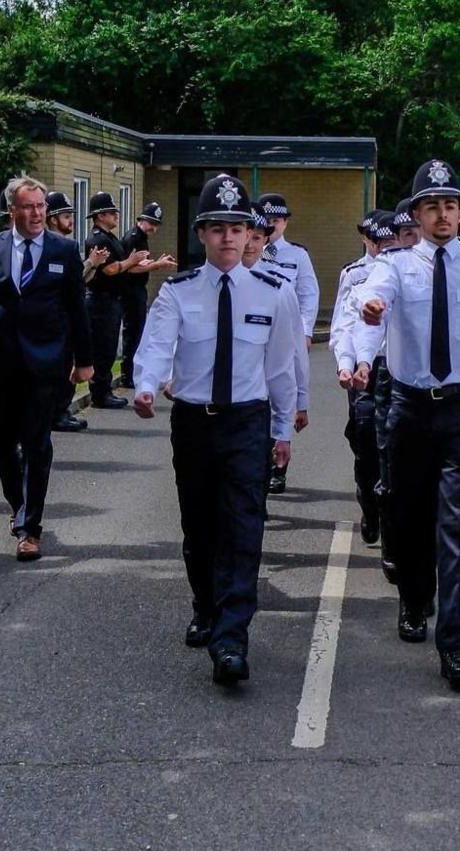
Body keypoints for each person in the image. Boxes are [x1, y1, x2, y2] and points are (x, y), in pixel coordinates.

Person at [352, 159, 460, 692]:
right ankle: (413, 599)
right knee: (408, 515)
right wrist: (371, 308)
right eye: (431, 206)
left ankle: (457, 645)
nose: (441, 214)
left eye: (449, 205)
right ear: (417, 215)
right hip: (409, 408)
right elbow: (372, 294)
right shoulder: (397, 266)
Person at [132, 174, 300, 686]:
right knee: (199, 527)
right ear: (201, 235)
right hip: (194, 422)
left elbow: (281, 369)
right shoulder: (179, 292)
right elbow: (157, 345)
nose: (228, 237)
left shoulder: (274, 293)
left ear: (250, 234)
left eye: (236, 228)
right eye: (217, 228)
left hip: (246, 423)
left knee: (243, 529)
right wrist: (146, 384)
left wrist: (282, 430)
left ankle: (231, 639)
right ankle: (206, 606)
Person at [0, 176, 96, 562]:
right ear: (12, 210)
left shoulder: (64, 250)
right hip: (0, 364)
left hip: (46, 365)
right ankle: (19, 508)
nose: (36, 214)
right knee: (0, 446)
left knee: (36, 445)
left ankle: (30, 528)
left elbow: (76, 308)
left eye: (41, 207)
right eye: (28, 207)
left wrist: (84, 360)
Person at [331, 210, 395, 544]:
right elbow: (343, 323)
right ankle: (370, 504)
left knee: (394, 445)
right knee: (366, 438)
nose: (383, 247)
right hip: (362, 371)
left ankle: (391, 513)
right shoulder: (354, 274)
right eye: (378, 241)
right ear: (366, 239)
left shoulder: (401, 270)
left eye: (389, 240)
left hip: (395, 368)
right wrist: (344, 361)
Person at [369, 199, 419, 583]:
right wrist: (357, 362)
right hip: (387, 375)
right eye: (405, 236)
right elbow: (358, 320)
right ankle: (393, 545)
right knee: (389, 468)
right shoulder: (384, 270)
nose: (412, 241)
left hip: (437, 386)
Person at [258, 192, 319, 494]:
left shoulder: (297, 256)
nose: (272, 226)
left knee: (283, 398)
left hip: (286, 334)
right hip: (254, 335)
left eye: (277, 220)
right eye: (267, 220)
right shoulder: (247, 249)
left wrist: (304, 332)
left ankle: (278, 469)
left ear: (285, 222)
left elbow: (308, 295)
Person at [245, 207, 310, 444]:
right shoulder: (205, 287)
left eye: (257, 238)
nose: (250, 245)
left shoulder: (279, 290)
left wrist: (301, 402)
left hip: (261, 401)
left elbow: (295, 352)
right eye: (246, 235)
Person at [83, 192, 144, 411]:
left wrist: (148, 265)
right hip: (101, 301)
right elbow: (108, 269)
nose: (116, 215)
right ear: (99, 216)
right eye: (111, 212)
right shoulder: (98, 239)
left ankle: (104, 389)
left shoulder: (110, 238)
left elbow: (123, 266)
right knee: (102, 347)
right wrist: (132, 260)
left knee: (108, 348)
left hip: (112, 301)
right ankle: (100, 392)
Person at [44, 190, 92, 433]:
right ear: (52, 218)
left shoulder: (68, 247)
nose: (71, 220)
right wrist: (91, 264)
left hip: (66, 318)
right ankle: (56, 413)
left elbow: (78, 284)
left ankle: (61, 410)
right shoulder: (49, 247)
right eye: (65, 215)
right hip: (54, 319)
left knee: (66, 369)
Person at [117, 202, 176, 389]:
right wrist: (156, 265)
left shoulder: (140, 237)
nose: (154, 228)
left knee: (138, 332)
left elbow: (140, 264)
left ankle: (131, 373)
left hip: (136, 290)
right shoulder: (134, 238)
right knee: (133, 333)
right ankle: (127, 375)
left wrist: (155, 262)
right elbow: (129, 267)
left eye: (156, 224)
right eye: (151, 223)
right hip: (130, 290)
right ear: (141, 220)